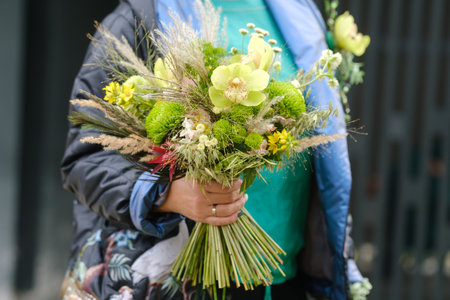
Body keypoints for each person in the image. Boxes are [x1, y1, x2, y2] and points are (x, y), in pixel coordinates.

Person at [60, 0, 364, 299]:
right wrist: (165, 195)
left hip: (286, 277)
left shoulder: (300, 12)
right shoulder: (141, 16)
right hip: (175, 281)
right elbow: (86, 155)